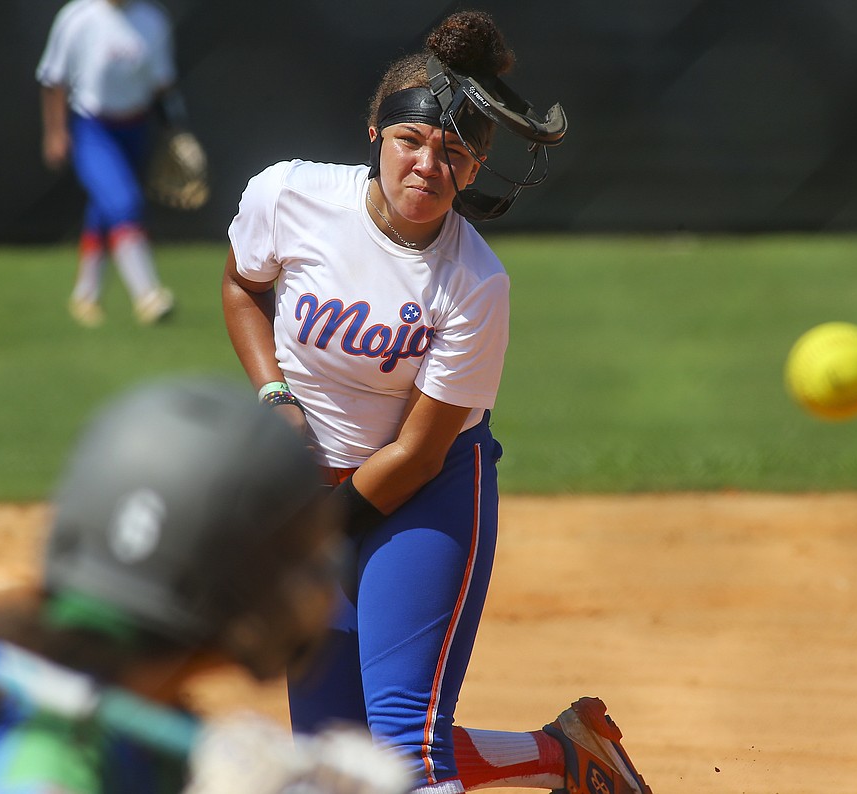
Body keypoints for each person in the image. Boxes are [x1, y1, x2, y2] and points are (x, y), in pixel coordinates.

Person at [222, 10, 652, 794]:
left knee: (404, 754)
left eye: (453, 150)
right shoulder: (289, 196)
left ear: (479, 160)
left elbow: (418, 453)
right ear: (375, 132)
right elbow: (242, 287)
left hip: (427, 495)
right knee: (331, 766)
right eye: (410, 141)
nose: (427, 164)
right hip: (314, 497)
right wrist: (275, 394)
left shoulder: (474, 283)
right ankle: (566, 753)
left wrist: (316, 530)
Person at [0, 377, 409, 794]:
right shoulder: (39, 766)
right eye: (299, 553)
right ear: (233, 580)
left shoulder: (141, 724)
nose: (315, 574)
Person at [36, 0, 184, 327]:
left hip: (135, 126)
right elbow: (52, 78)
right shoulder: (78, 16)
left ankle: (85, 296)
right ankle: (148, 294)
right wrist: (56, 132)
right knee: (123, 202)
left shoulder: (152, 20)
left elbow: (162, 83)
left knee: (105, 209)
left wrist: (175, 130)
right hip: (93, 127)